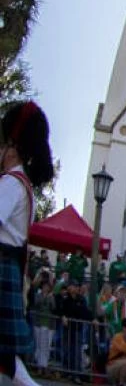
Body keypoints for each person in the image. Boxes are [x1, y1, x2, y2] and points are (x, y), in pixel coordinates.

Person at [0, 102, 54, 382]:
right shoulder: (20, 184)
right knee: (7, 357)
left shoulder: (11, 183)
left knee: (7, 357)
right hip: (7, 265)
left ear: (12, 147)